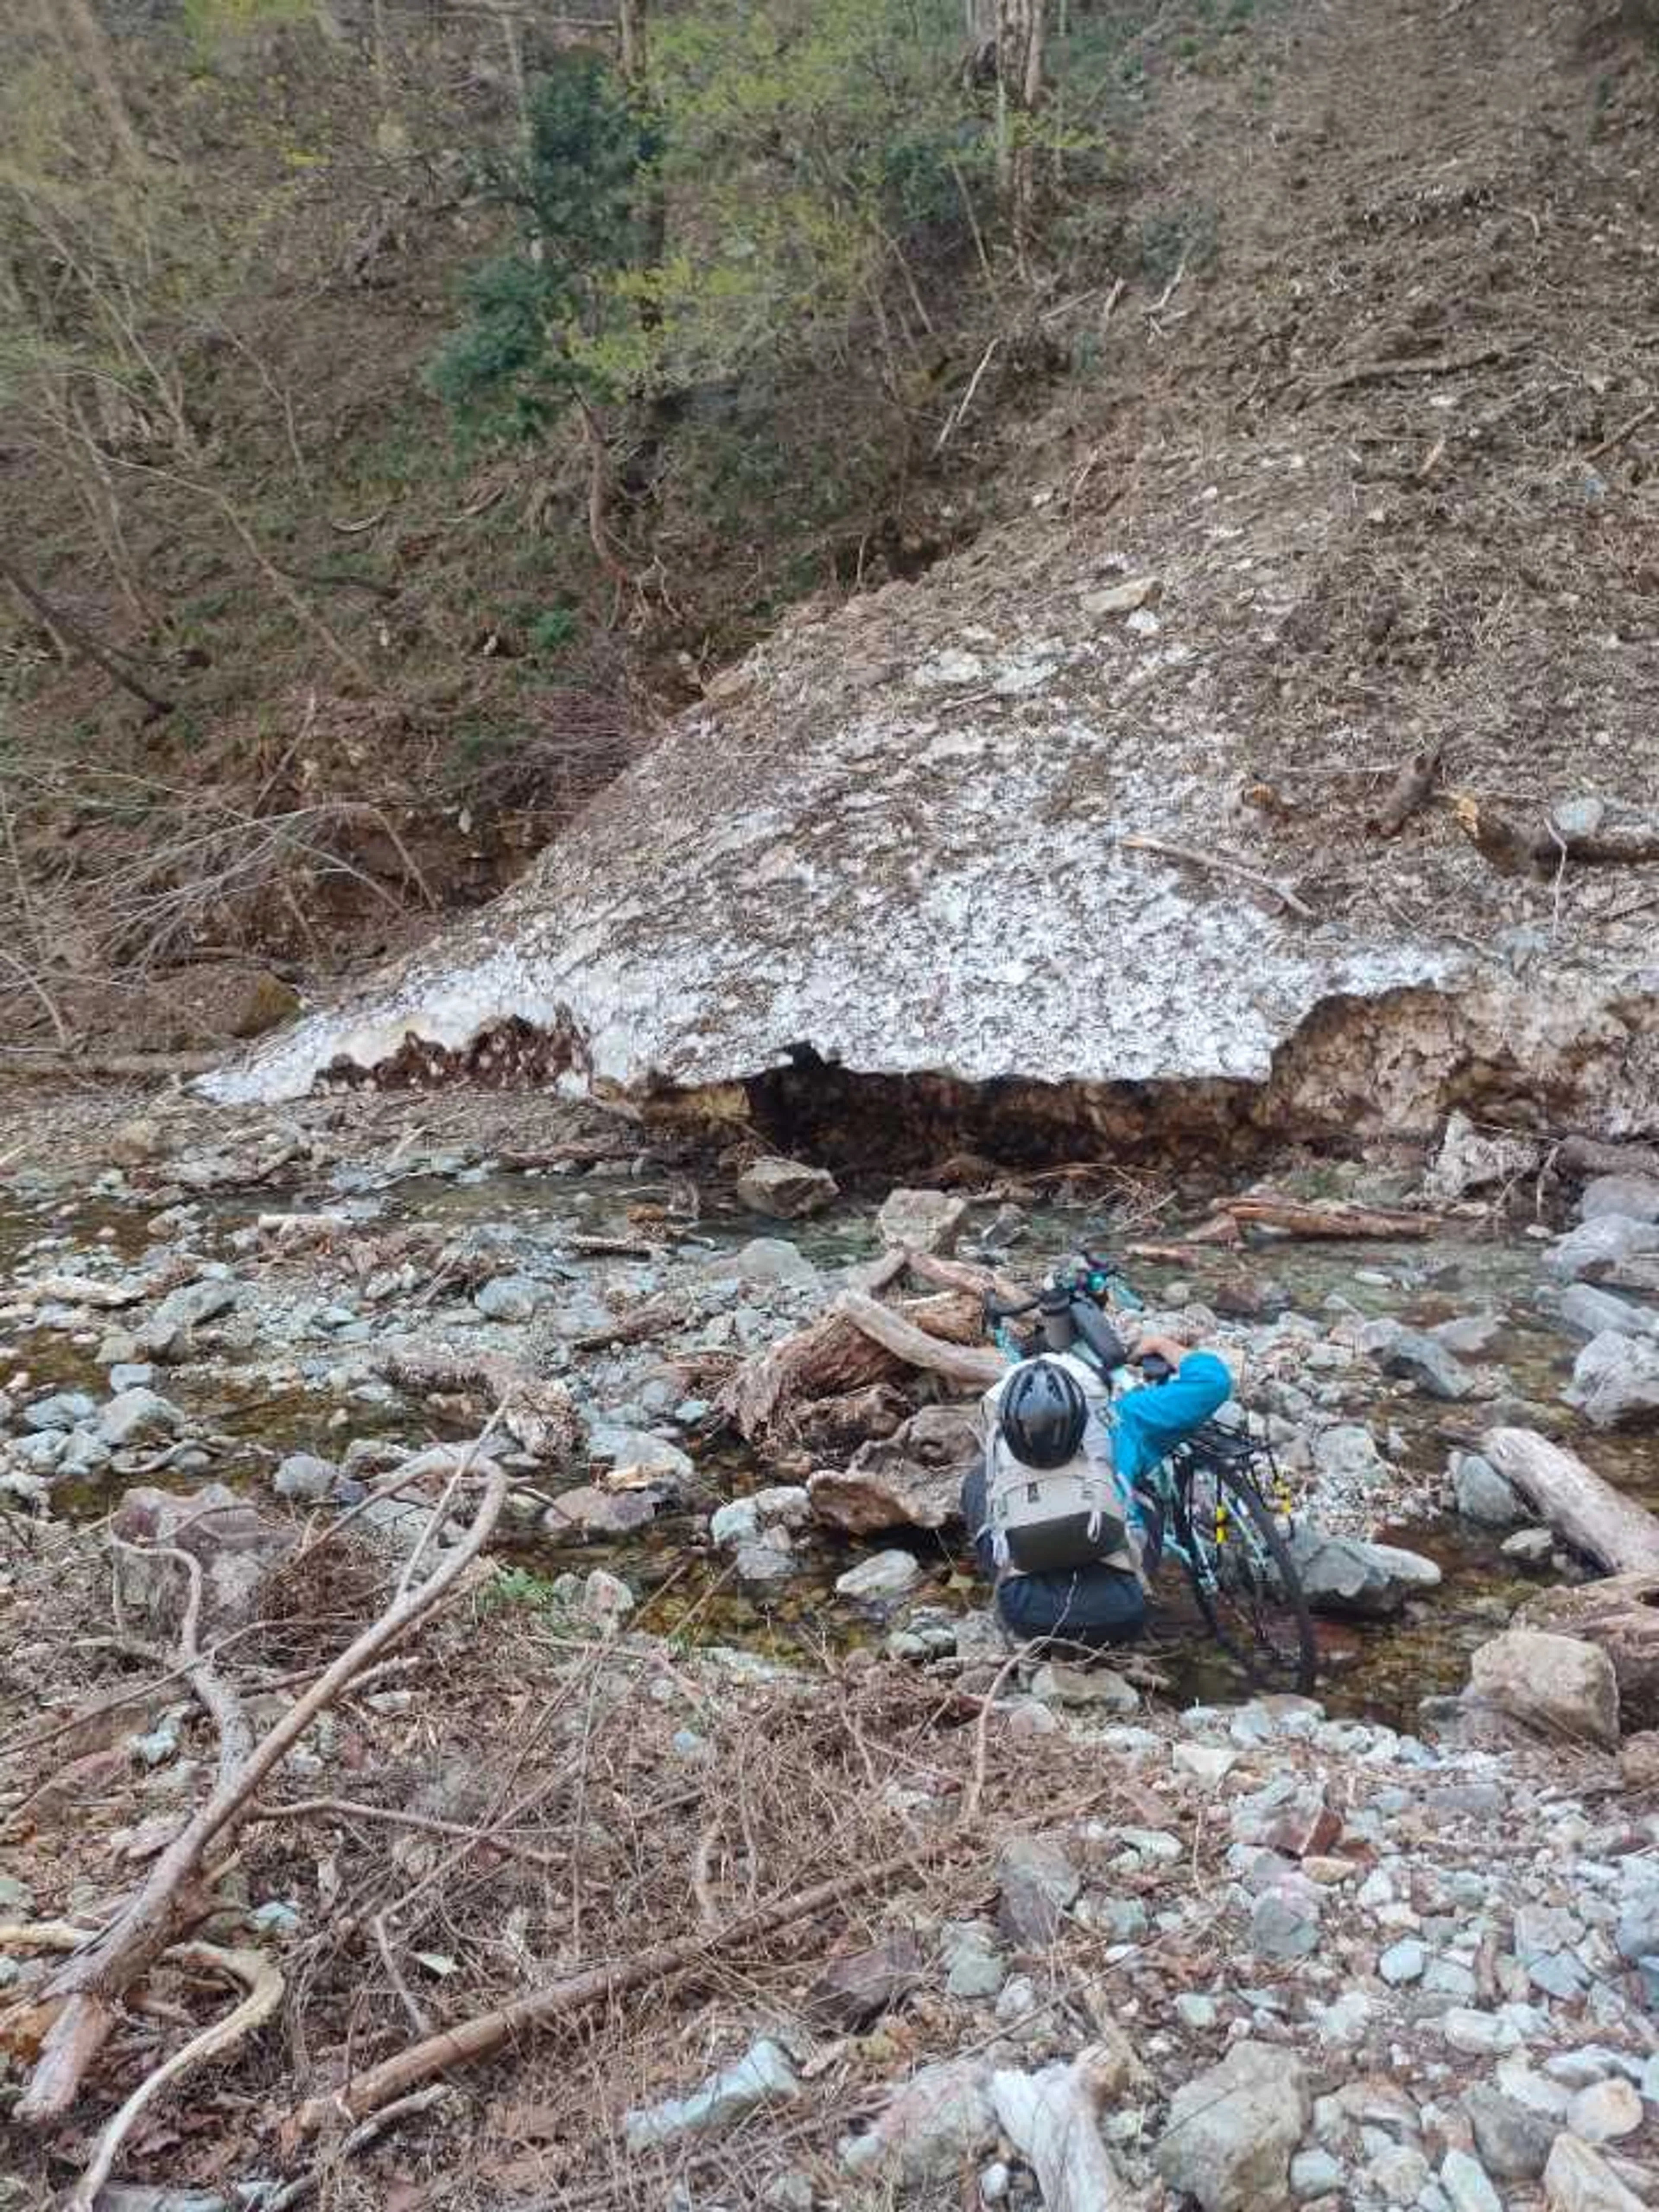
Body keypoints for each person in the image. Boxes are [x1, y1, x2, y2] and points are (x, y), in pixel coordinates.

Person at [960, 1322, 1233, 1649]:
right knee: (1143, 1490)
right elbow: (1214, 1381)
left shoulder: (1001, 1445)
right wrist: (1162, 1344)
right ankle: (1136, 1572)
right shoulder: (1124, 1418)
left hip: (1027, 1616)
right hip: (1124, 1613)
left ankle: (1010, 1591)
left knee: (977, 1484)